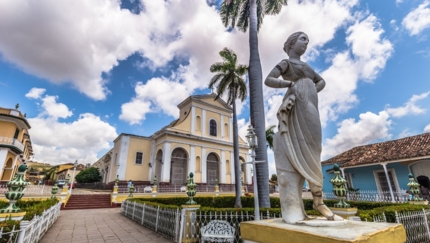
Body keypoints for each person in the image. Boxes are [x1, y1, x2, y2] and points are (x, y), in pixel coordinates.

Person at [265, 31, 342, 223]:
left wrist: (309, 90)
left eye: (308, 42)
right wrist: (291, 85)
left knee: (316, 147)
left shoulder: (306, 66)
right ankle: (316, 200)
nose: (306, 45)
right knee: (300, 145)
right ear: (291, 43)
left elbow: (321, 81)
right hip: (295, 106)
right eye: (303, 40)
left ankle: (318, 200)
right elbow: (269, 79)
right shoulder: (286, 63)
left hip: (310, 106)